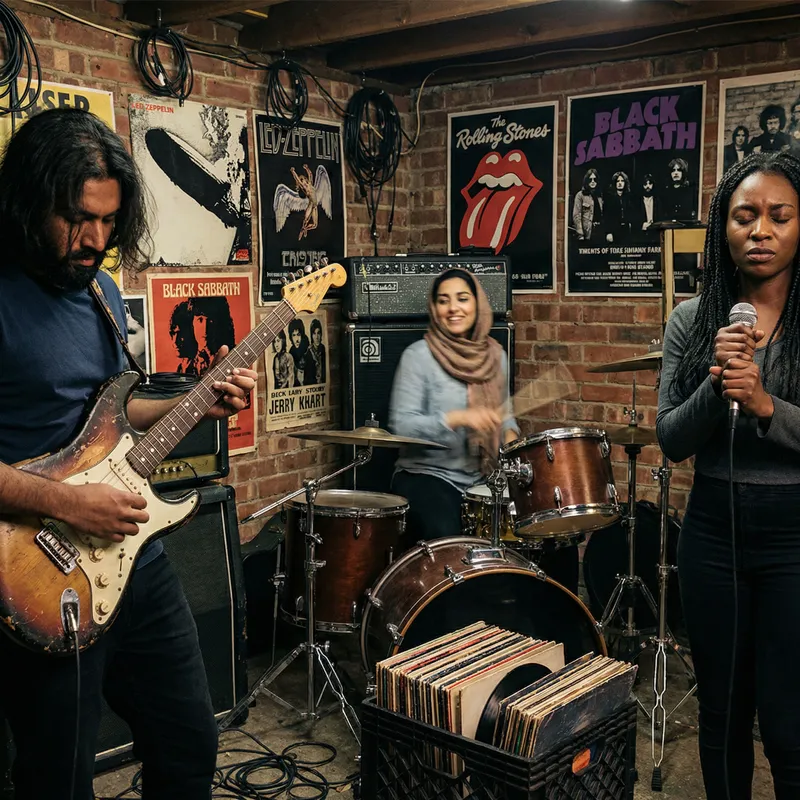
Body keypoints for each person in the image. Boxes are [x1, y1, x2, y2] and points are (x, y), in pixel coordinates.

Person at [0, 108, 257, 799]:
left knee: (189, 740)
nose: (95, 240)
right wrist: (67, 502)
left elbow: (109, 415)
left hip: (133, 555)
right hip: (37, 570)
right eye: (77, 219)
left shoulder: (100, 291)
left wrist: (197, 401)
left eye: (110, 222)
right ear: (28, 202)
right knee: (58, 779)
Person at [657, 150, 800, 799]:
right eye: (745, 216)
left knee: (789, 724)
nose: (760, 230)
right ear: (724, 227)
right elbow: (670, 438)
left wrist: (768, 407)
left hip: (793, 538)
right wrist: (716, 387)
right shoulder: (693, 321)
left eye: (779, 216)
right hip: (713, 534)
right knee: (720, 714)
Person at [389, 268, 519, 542]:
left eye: (462, 298)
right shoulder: (418, 357)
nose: (453, 308)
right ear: (434, 308)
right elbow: (401, 426)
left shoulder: (496, 357)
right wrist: (458, 418)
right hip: (426, 475)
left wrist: (511, 437)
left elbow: (504, 415)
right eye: (443, 300)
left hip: (483, 478)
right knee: (446, 534)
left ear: (477, 304)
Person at [169, 295, 236, 377]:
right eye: (200, 320)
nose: (205, 328)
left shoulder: (232, 357)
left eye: (210, 321)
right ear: (192, 324)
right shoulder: (185, 366)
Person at [572, 168, 603, 242]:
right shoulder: (580, 195)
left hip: (600, 232)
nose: (593, 182)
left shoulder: (600, 195)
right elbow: (577, 216)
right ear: (586, 181)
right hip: (587, 233)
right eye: (590, 179)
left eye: (595, 179)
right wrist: (580, 234)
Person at [603, 171, 633, 243]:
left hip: (626, 231)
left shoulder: (628, 197)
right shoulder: (609, 198)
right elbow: (606, 216)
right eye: (618, 181)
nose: (620, 183)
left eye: (622, 181)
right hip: (614, 231)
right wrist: (608, 232)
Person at [632, 173, 662, 238]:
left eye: (650, 184)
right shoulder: (636, 202)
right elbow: (633, 219)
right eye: (645, 184)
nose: (648, 186)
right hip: (641, 235)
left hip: (656, 234)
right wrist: (642, 225)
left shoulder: (658, 201)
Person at [303, 317, 326, 386]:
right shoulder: (308, 352)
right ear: (311, 335)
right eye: (314, 333)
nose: (316, 337)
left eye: (318, 333)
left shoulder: (323, 348)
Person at [288, 318, 308, 385]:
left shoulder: (307, 348)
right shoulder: (291, 352)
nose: (296, 339)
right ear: (291, 337)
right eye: (294, 335)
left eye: (298, 335)